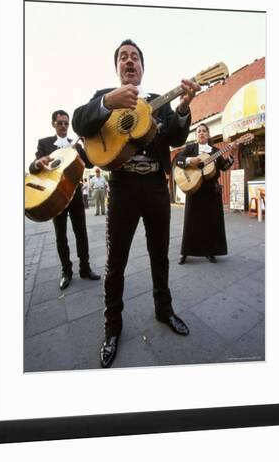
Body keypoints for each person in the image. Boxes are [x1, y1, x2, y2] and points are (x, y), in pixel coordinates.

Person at [73, 39, 200, 368]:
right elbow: (79, 122)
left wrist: (184, 107)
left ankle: (164, 309)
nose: (129, 61)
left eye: (135, 58)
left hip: (156, 187)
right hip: (123, 188)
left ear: (142, 68)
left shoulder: (157, 102)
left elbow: (175, 136)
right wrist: (106, 102)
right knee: (116, 262)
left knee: (160, 254)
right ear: (117, 68)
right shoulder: (105, 96)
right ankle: (112, 326)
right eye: (123, 58)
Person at [29, 110, 101, 289]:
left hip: (75, 195)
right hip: (55, 197)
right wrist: (39, 163)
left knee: (81, 233)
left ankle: (85, 268)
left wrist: (86, 146)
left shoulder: (74, 144)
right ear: (53, 123)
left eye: (66, 123)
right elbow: (33, 168)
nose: (63, 126)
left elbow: (90, 163)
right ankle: (66, 272)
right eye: (60, 123)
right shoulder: (44, 143)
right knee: (60, 236)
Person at [175, 123, 237, 265]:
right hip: (194, 188)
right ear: (196, 135)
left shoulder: (216, 151)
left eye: (204, 131)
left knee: (211, 221)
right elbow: (178, 161)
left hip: (211, 191)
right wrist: (190, 160)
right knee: (191, 222)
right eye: (199, 131)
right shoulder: (190, 149)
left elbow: (224, 167)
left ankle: (210, 251)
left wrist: (232, 155)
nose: (201, 133)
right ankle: (185, 252)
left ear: (208, 135)